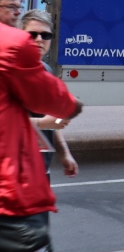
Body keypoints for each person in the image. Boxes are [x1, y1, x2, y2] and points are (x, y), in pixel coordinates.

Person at [0, 0, 83, 252]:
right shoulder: (12, 45)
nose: (36, 39)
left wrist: (62, 151)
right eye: (10, 1)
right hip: (11, 202)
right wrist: (72, 107)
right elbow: (60, 103)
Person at [22, 9, 78, 179]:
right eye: (32, 34)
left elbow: (52, 119)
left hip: (41, 170)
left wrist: (65, 153)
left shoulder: (47, 71)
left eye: (45, 36)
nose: (39, 40)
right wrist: (42, 123)